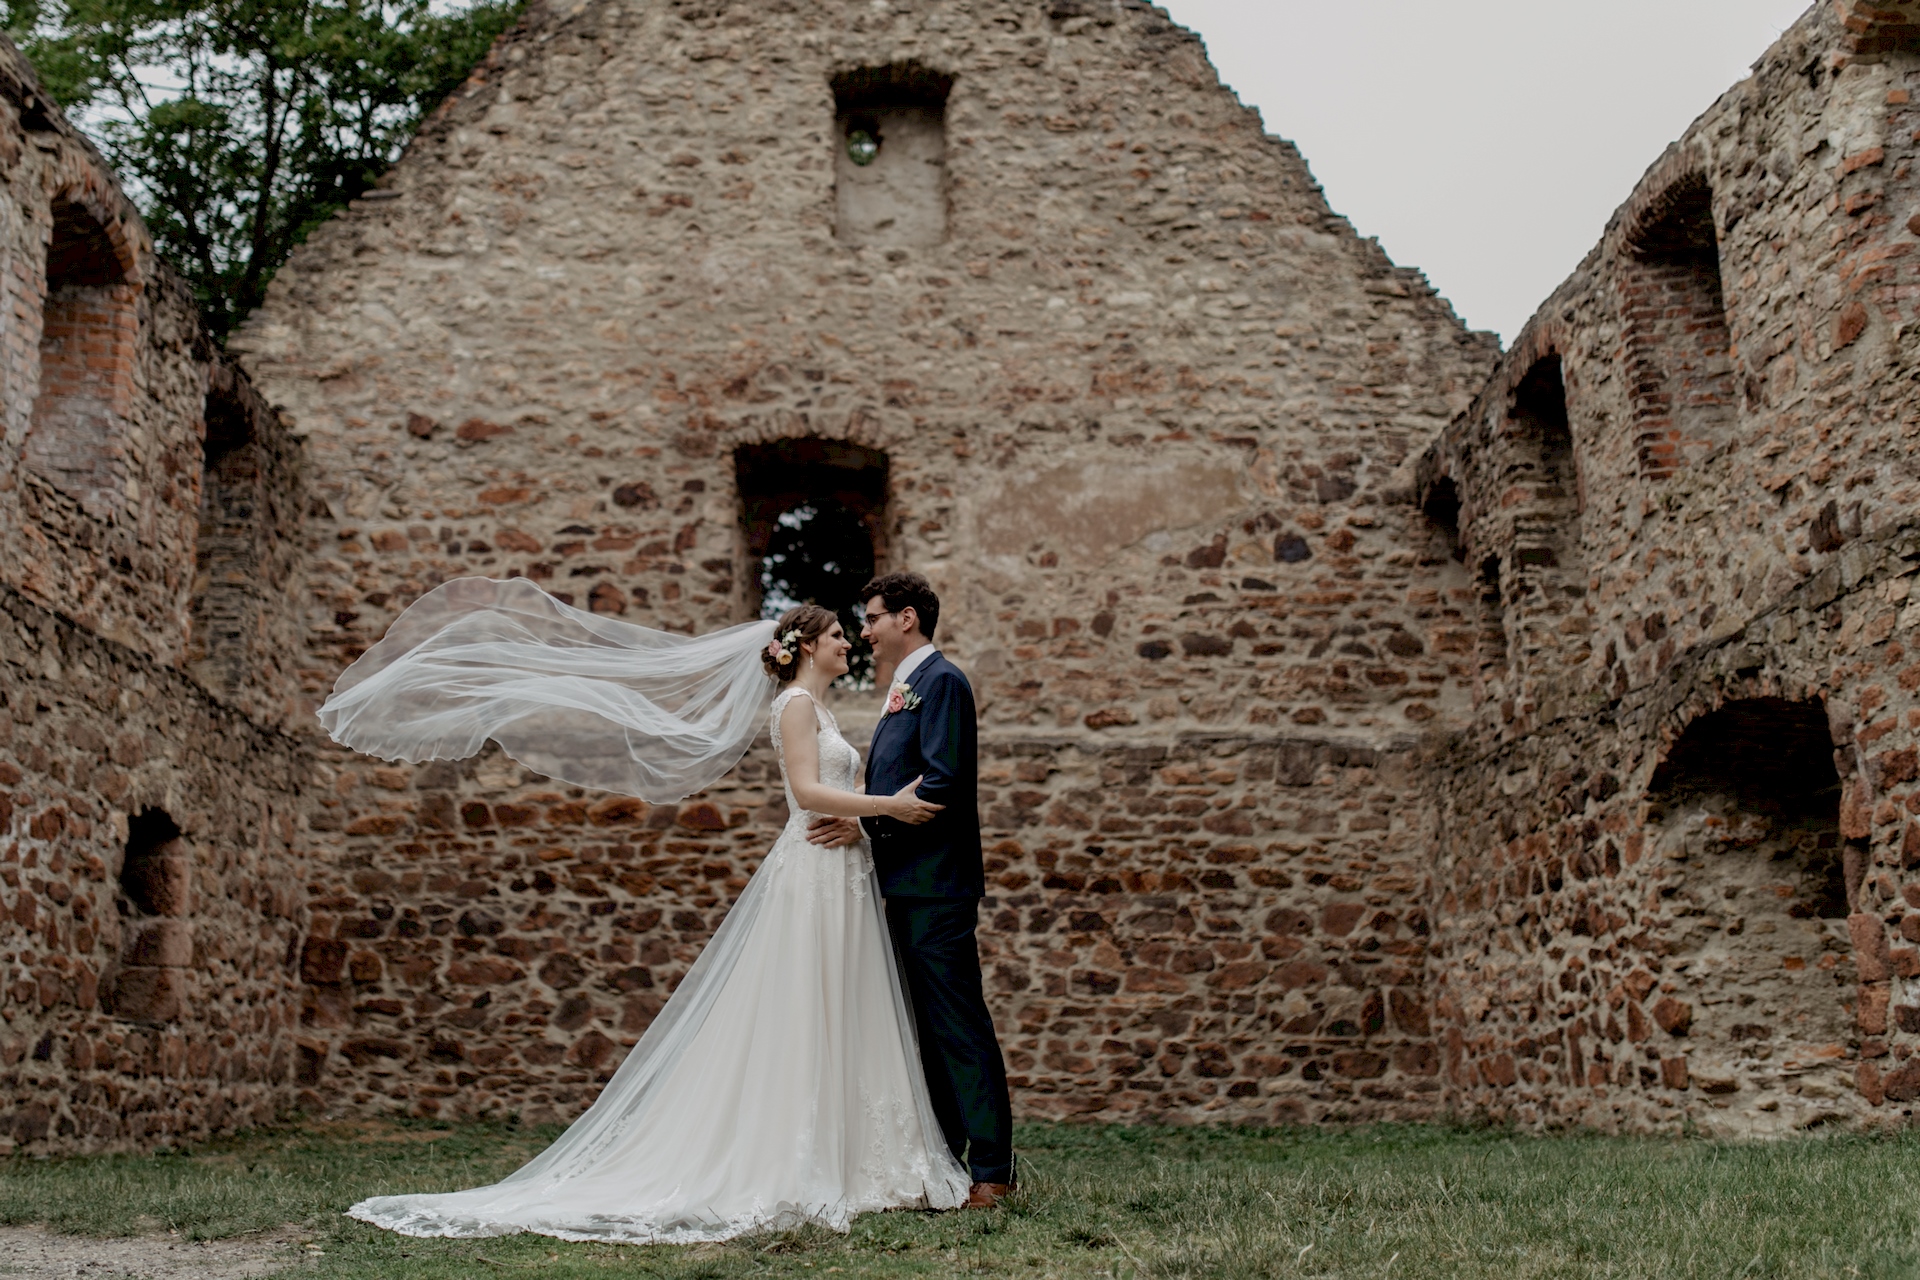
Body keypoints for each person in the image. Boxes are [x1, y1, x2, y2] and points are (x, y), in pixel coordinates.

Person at [318, 579, 971, 1243]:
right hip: (812, 875)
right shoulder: (796, 707)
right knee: (806, 1004)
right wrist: (887, 808)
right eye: (836, 634)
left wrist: (875, 810)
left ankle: (862, 1158)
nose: (848, 642)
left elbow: (840, 789)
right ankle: (798, 1155)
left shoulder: (825, 714)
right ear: (804, 646)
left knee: (846, 1002)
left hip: (842, 870)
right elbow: (807, 791)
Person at [807, 572, 1015, 1208]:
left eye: (870, 618)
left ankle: (992, 1171)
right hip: (901, 881)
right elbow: (900, 789)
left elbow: (940, 784)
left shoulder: (942, 682)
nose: (864, 631)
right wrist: (868, 830)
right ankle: (947, 1163)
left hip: (936, 886)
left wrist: (864, 820)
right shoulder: (904, 687)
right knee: (923, 1029)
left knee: (958, 1024)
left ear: (906, 619)